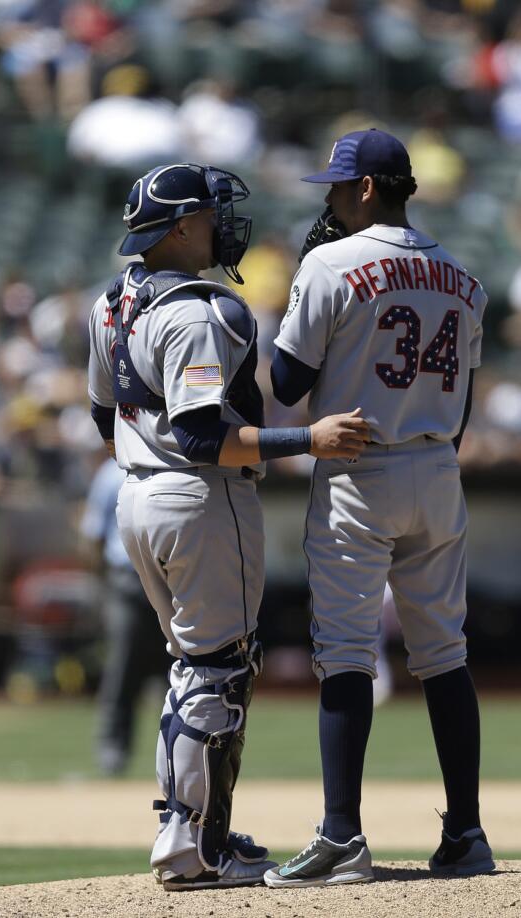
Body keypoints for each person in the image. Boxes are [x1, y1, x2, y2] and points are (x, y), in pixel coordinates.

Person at [86, 162, 368, 891]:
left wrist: (149, 451)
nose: (219, 224)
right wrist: (310, 440)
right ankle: (196, 845)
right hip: (200, 498)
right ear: (179, 227)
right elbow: (208, 436)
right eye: (207, 214)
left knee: (195, 666)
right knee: (218, 669)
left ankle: (190, 827)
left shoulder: (110, 302)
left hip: (136, 496)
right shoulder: (201, 311)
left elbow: (100, 413)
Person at [265, 129, 493, 888]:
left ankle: (341, 836)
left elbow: (290, 382)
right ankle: (465, 832)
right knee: (446, 656)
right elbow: (461, 407)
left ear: (366, 188)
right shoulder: (461, 273)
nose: (326, 197)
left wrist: (306, 285)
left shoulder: (330, 263)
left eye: (335, 184)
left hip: (359, 466)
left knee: (346, 654)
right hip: (437, 466)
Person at [81, 456, 166, 776]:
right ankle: (112, 749)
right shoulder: (109, 473)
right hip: (126, 580)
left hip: (169, 578)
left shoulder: (170, 460)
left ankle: (176, 753)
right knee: (123, 665)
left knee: (176, 670)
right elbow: (94, 534)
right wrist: (100, 585)